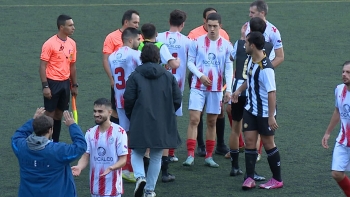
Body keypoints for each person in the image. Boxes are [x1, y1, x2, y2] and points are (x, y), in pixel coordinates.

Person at [124, 44, 182, 197]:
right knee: (156, 155)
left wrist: (133, 115)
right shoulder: (169, 76)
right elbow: (178, 99)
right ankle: (149, 190)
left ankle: (140, 177)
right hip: (162, 121)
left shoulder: (135, 75)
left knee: (137, 152)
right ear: (158, 58)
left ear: (142, 57)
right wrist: (167, 113)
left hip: (140, 118)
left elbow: (128, 99)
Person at [232, 31, 282, 190]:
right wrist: (238, 91)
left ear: (252, 45)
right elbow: (249, 79)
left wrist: (271, 116)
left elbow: (272, 93)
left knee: (268, 144)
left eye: (246, 43)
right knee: (250, 142)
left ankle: (277, 179)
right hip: (250, 110)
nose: (244, 45)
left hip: (264, 114)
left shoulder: (266, 68)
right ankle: (250, 178)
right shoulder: (252, 60)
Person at [227, 17, 275, 181]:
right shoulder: (267, 47)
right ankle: (254, 165)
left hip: (238, 90)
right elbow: (270, 64)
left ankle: (235, 167)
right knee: (255, 132)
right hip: (254, 92)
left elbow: (231, 59)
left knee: (236, 129)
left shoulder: (240, 44)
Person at [183, 13, 233, 168]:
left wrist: (229, 90)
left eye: (215, 26)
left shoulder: (226, 46)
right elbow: (189, 63)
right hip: (198, 87)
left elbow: (229, 70)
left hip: (216, 89)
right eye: (209, 26)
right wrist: (200, 75)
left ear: (220, 26)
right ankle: (190, 155)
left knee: (212, 121)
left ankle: (209, 156)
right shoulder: (196, 42)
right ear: (205, 25)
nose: (211, 29)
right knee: (194, 120)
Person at [11, 108, 87, 197]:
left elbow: (16, 137)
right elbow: (81, 146)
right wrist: (72, 125)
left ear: (34, 128)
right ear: (50, 130)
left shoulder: (22, 147)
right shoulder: (58, 151)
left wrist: (33, 120)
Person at [243, 0, 284, 160]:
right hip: (249, 74)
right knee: (244, 109)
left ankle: (258, 150)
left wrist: (264, 69)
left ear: (262, 13)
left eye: (252, 13)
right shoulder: (248, 26)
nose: (250, 15)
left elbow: (280, 57)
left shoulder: (273, 31)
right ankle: (243, 144)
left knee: (261, 108)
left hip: (262, 76)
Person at [102, 9, 140, 183]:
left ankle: (123, 166)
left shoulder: (113, 57)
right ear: (130, 40)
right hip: (133, 100)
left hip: (119, 100)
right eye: (137, 40)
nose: (139, 43)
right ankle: (130, 168)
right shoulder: (134, 54)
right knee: (134, 133)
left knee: (124, 132)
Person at [138, 23, 180, 179]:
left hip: (143, 88)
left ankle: (144, 171)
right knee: (162, 133)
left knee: (146, 134)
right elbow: (173, 63)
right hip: (159, 87)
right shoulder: (161, 46)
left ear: (141, 35)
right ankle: (164, 172)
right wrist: (178, 61)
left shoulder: (138, 45)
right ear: (156, 34)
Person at [156, 9, 191, 182]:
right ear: (183, 24)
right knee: (171, 119)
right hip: (176, 86)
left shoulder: (159, 38)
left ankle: (160, 154)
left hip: (158, 84)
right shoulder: (187, 41)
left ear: (169, 20)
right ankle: (169, 153)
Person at [71, 98, 128, 197]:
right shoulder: (90, 133)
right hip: (95, 188)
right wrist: (79, 167)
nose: (96, 114)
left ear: (110, 112)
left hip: (113, 190)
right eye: (95, 111)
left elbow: (123, 159)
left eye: (100, 111)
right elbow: (85, 156)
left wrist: (111, 167)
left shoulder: (119, 132)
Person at [39, 14, 78, 142]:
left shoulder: (72, 43)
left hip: (65, 83)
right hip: (52, 83)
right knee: (49, 114)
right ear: (62, 27)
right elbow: (42, 66)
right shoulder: (49, 44)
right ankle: (46, 141)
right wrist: (45, 86)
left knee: (59, 114)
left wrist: (74, 85)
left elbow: (72, 66)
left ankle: (55, 141)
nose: (73, 28)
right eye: (70, 25)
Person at [102, 9, 140, 125]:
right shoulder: (112, 37)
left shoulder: (137, 36)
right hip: (122, 82)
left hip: (125, 83)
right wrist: (111, 78)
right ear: (126, 22)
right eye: (135, 22)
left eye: (138, 23)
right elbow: (105, 59)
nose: (137, 25)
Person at [321, 61, 350, 197]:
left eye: (348, 72)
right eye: (343, 71)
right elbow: (337, 111)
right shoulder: (339, 89)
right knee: (337, 173)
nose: (344, 75)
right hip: (343, 141)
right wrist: (328, 133)